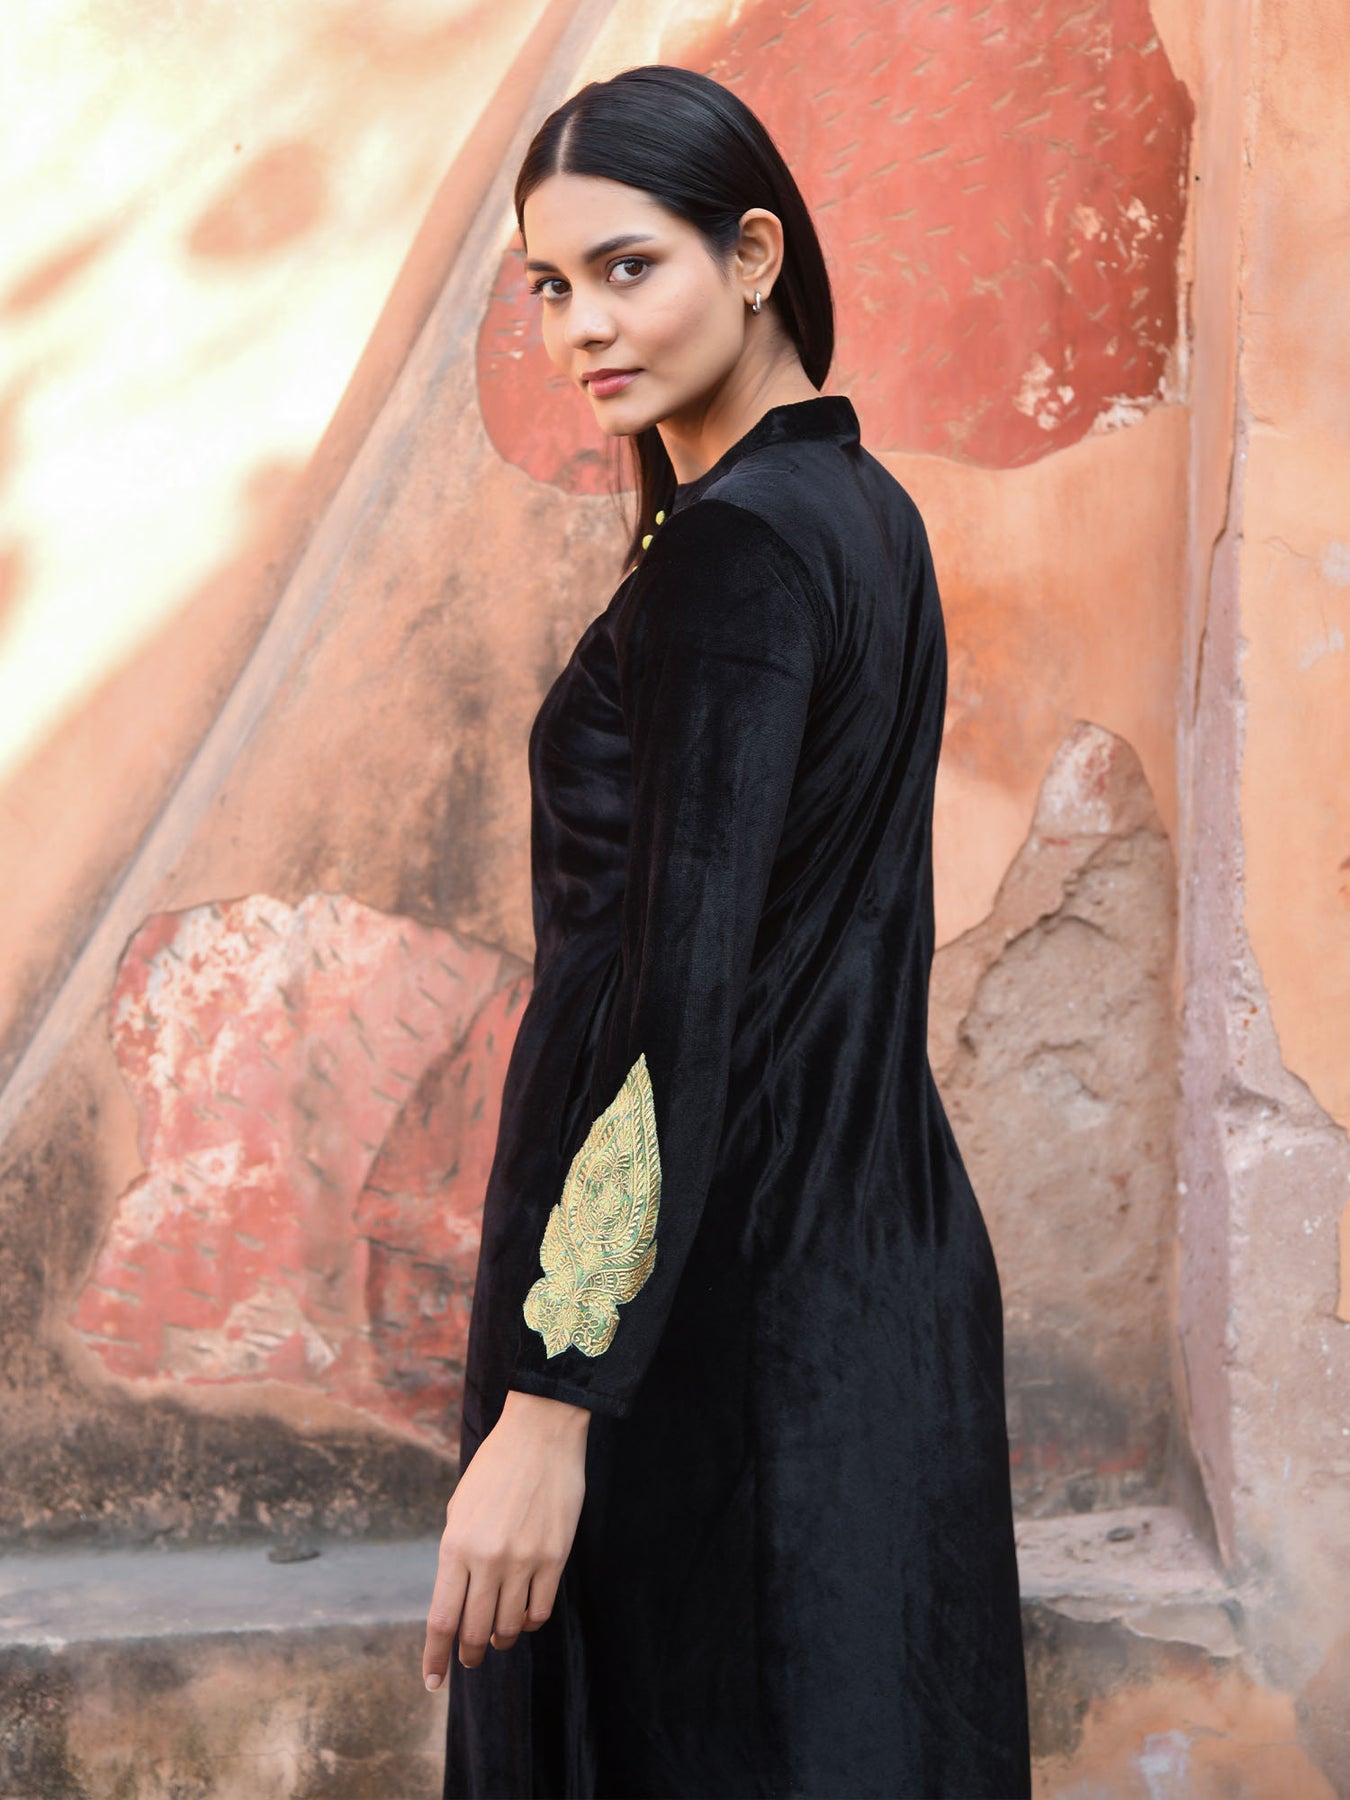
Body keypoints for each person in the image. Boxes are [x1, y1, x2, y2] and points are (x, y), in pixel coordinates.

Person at [424, 62, 1031, 1800]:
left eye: (629, 268)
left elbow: (674, 1001)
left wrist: (554, 1403)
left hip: (708, 1321)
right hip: (856, 1268)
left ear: (753, 254)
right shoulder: (857, 512)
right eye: (551, 286)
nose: (580, 328)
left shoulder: (736, 555)